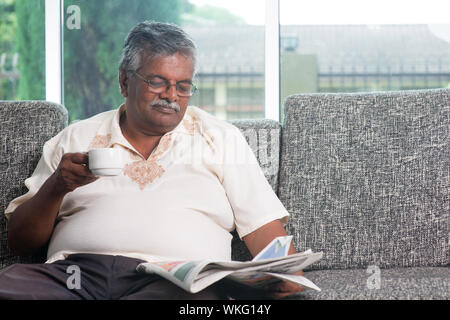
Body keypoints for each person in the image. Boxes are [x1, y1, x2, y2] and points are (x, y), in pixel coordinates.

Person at [0, 21, 304, 300]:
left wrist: (284, 278)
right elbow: (21, 243)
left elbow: (266, 232)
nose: (171, 95)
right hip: (73, 277)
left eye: (183, 86)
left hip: (173, 283)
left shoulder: (221, 139)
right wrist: (56, 186)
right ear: (124, 81)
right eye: (157, 82)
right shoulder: (74, 138)